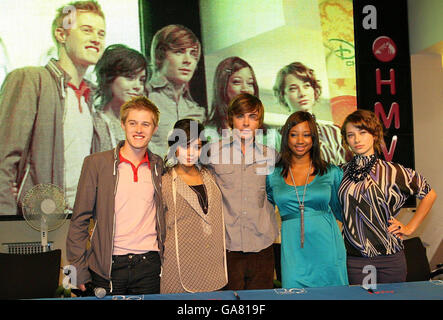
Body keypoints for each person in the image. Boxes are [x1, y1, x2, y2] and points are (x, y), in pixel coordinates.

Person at [0, 0, 111, 214]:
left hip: (80, 225)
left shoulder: (91, 100)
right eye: (86, 30)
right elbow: (3, 161)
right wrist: (5, 226)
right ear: (62, 35)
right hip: (36, 225)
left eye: (101, 34)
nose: (96, 39)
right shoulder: (30, 79)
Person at [66, 96, 165, 295]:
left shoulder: (158, 165)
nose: (139, 130)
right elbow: (79, 220)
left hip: (149, 266)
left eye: (146, 124)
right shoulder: (96, 163)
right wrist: (77, 269)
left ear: (154, 129)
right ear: (122, 125)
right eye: (133, 123)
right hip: (107, 267)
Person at [338, 109, 437, 285]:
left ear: (375, 134)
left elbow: (429, 194)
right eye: (350, 135)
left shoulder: (394, 172)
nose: (357, 139)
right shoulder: (339, 173)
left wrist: (410, 227)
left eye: (362, 132)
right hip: (354, 260)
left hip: (390, 260)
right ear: (346, 140)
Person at [266, 111, 348, 288]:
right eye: (294, 134)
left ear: (314, 138)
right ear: (286, 138)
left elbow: (345, 213)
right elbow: (263, 210)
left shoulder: (331, 172)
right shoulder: (273, 175)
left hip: (328, 249)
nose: (300, 141)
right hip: (293, 253)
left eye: (306, 135)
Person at [208, 93, 278, 290]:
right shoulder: (212, 153)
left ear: (259, 122)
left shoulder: (271, 155)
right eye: (240, 116)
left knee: (260, 303)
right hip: (226, 248)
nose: (246, 123)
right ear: (231, 120)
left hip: (262, 246)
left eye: (252, 117)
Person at [160, 119, 227, 293]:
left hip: (213, 268)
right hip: (178, 269)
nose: (190, 153)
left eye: (196, 147)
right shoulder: (165, 181)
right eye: (184, 146)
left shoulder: (210, 176)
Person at [147, 24, 206, 158]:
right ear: (160, 55)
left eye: (193, 54)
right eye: (179, 51)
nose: (188, 61)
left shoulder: (197, 111)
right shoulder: (142, 99)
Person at [273, 61, 347, 164]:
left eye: (306, 86)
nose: (302, 93)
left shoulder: (335, 133)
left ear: (314, 90)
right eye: (293, 89)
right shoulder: (276, 137)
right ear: (283, 96)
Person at [205, 56, 280, 150]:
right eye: (237, 82)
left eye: (250, 83)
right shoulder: (206, 134)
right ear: (222, 87)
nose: (245, 89)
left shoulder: (270, 135)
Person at [94, 44, 148, 147]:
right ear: (109, 78)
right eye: (130, 77)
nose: (138, 86)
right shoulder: (95, 124)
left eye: (141, 80)